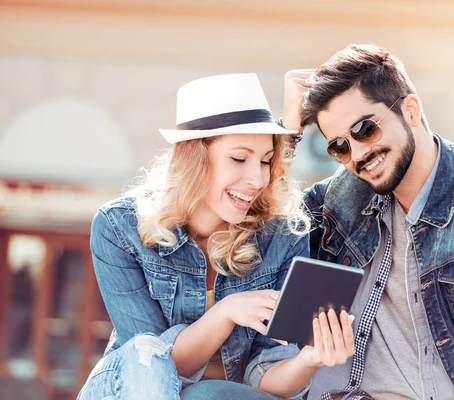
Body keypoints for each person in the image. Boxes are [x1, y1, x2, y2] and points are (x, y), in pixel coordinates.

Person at [280, 45, 454, 400]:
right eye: (339, 147)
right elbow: (259, 234)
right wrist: (286, 133)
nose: (357, 155)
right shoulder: (338, 200)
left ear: (410, 110)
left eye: (365, 129)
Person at [78, 73, 355, 400]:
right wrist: (225, 313)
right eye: (239, 158)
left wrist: (310, 359)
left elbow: (265, 378)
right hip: (131, 388)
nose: (256, 179)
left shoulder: (281, 234)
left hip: (223, 396)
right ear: (195, 157)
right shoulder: (119, 226)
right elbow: (151, 365)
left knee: (210, 395)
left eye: (266, 161)